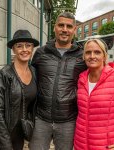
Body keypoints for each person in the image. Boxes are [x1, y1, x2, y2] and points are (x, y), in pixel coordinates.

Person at [29, 11, 87, 150]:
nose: (64, 29)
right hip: (41, 119)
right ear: (54, 27)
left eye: (68, 26)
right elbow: (30, 78)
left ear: (74, 29)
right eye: (61, 25)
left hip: (68, 121)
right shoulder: (41, 53)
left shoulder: (82, 56)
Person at [0, 29, 39, 150]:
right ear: (13, 49)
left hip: (19, 134)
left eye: (28, 45)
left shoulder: (34, 72)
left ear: (32, 48)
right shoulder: (4, 74)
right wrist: (6, 144)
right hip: (1, 135)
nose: (24, 49)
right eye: (19, 46)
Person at [74, 38, 114, 150]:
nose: (92, 56)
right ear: (84, 56)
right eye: (88, 52)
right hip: (80, 144)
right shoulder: (81, 79)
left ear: (104, 56)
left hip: (105, 146)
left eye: (97, 52)